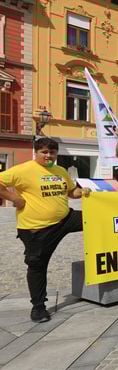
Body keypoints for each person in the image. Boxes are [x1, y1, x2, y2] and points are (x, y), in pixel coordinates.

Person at [0, 138, 91, 322]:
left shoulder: (60, 171)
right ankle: (38, 307)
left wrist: (83, 191)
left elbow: (71, 192)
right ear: (36, 152)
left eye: (53, 152)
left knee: (97, 219)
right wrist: (15, 199)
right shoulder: (23, 170)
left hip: (65, 219)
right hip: (37, 228)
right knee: (37, 266)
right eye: (44, 152)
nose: (49, 156)